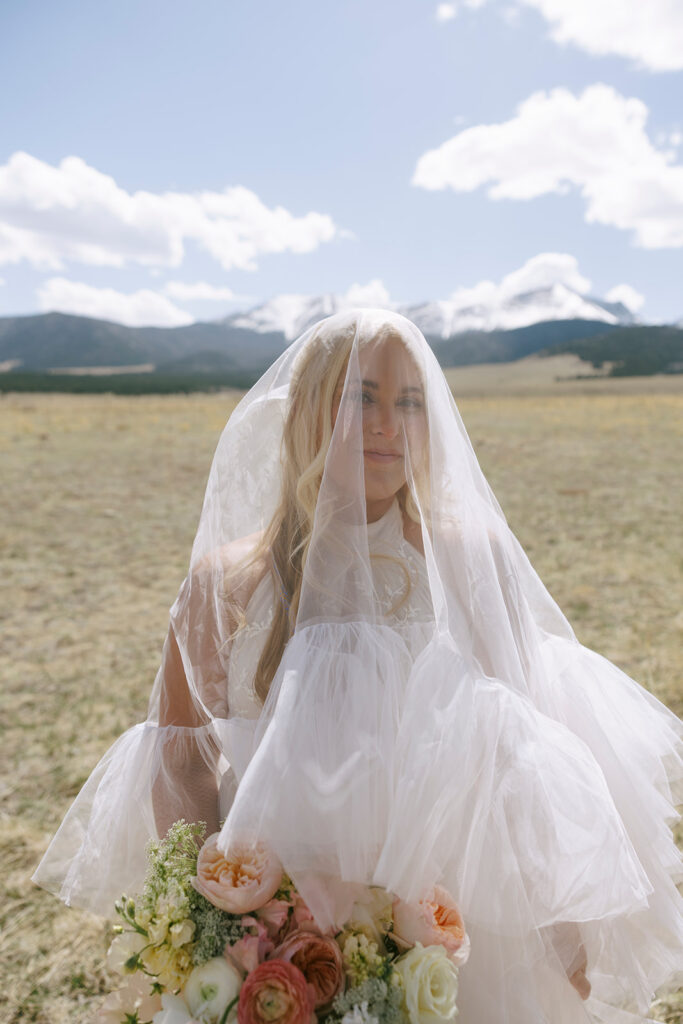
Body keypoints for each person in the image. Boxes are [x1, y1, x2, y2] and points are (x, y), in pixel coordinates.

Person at [33, 309, 683, 1023]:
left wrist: (555, 923)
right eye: (361, 397)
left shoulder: (467, 562)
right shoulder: (225, 584)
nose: (388, 425)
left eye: (411, 402)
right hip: (278, 934)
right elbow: (182, 760)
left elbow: (524, 754)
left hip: (453, 925)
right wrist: (215, 919)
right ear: (306, 412)